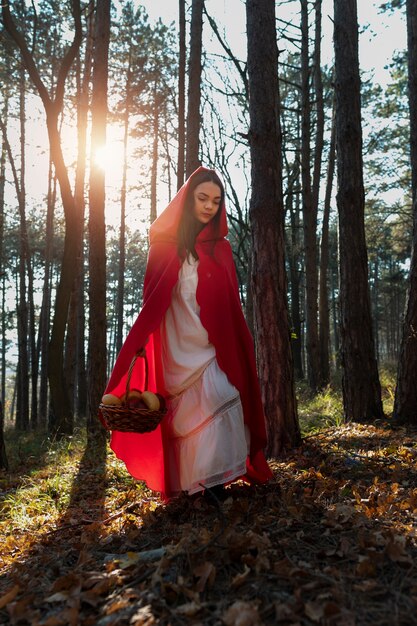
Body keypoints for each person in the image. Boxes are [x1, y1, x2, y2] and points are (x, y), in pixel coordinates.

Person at [102, 166, 272, 501]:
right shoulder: (164, 247)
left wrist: (236, 341)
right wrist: (140, 345)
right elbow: (151, 304)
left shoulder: (220, 249)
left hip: (211, 346)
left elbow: (230, 307)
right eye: (202, 198)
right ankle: (194, 487)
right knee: (187, 418)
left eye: (216, 200)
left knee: (223, 396)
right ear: (188, 199)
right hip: (176, 346)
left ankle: (214, 485)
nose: (209, 206)